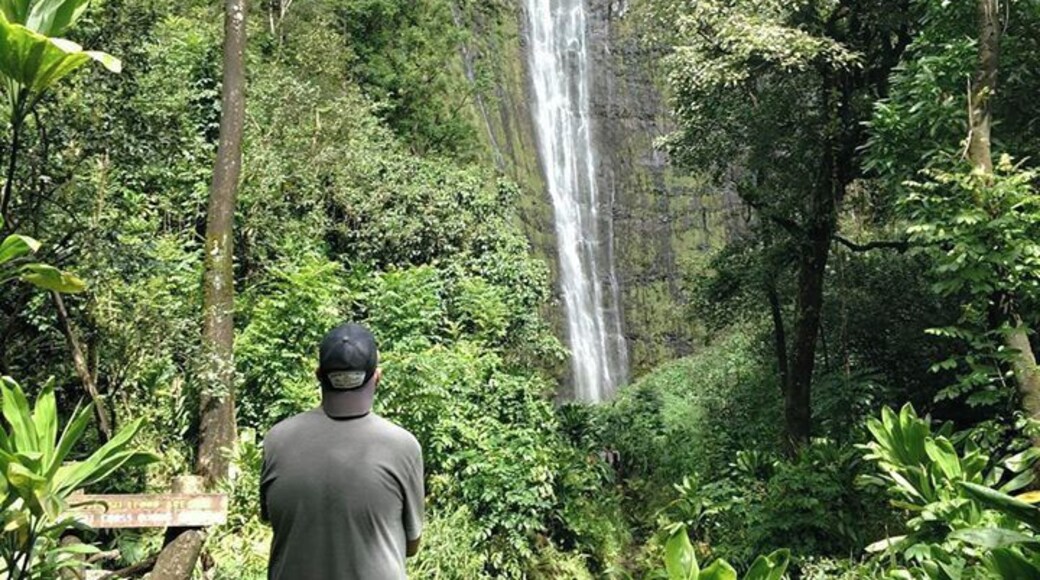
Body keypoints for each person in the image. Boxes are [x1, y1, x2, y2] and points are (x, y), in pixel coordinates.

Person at [261, 323, 424, 579]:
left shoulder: (277, 440)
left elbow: (276, 521)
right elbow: (412, 544)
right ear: (377, 376)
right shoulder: (402, 445)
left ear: (318, 375)